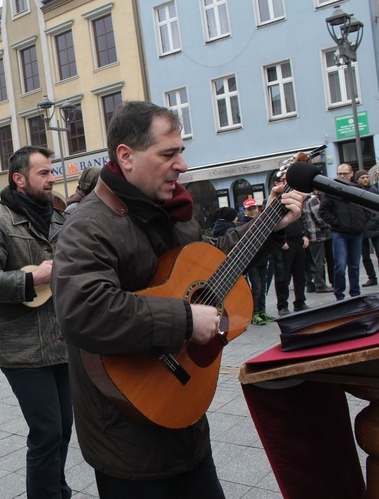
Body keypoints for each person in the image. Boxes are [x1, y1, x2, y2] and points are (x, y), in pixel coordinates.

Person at [51, 101, 304, 498]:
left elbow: (210, 263)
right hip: (127, 437)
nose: (183, 165)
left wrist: (269, 223)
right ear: (126, 157)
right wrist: (185, 319)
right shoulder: (87, 226)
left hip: (186, 421)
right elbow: (84, 311)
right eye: (169, 154)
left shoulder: (174, 212)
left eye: (181, 151)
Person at [0, 145, 72, 498]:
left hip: (62, 343)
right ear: (19, 179)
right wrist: (32, 280)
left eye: (51, 171)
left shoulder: (59, 217)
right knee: (46, 432)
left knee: (64, 428)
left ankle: (57, 489)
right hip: (22, 350)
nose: (52, 178)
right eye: (43, 173)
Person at [320, 163, 368, 300]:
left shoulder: (358, 189)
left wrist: (362, 222)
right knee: (340, 264)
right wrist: (337, 222)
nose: (341, 176)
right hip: (339, 232)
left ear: (351, 174)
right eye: (339, 173)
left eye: (344, 173)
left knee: (354, 265)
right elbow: (323, 210)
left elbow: (367, 208)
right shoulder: (331, 190)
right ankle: (339, 294)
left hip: (356, 233)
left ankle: (355, 293)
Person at [272, 172, 309, 316]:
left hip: (298, 241)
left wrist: (305, 235)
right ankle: (282, 306)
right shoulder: (275, 199)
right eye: (283, 180)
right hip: (284, 244)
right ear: (277, 183)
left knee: (300, 275)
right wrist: (281, 241)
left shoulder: (295, 197)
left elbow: (303, 217)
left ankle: (300, 302)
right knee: (283, 277)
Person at [239, 198, 275, 325]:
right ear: (245, 211)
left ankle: (262, 311)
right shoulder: (243, 224)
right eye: (249, 209)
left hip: (263, 259)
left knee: (263, 287)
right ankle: (254, 313)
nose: (253, 211)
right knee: (257, 288)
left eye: (254, 208)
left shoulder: (260, 221)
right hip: (252, 261)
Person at [355, 170, 379, 287]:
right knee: (365, 256)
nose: (366, 179)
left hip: (375, 228)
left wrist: (375, 221)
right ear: (358, 179)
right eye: (363, 177)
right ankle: (372, 277)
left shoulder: (374, 191)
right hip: (361, 230)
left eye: (367, 177)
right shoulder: (355, 191)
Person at [301, 190, 334, 293]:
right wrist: (329, 225)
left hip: (308, 235)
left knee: (311, 261)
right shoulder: (312, 199)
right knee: (318, 261)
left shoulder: (301, 201)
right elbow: (319, 217)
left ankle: (311, 285)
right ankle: (320, 284)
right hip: (318, 234)